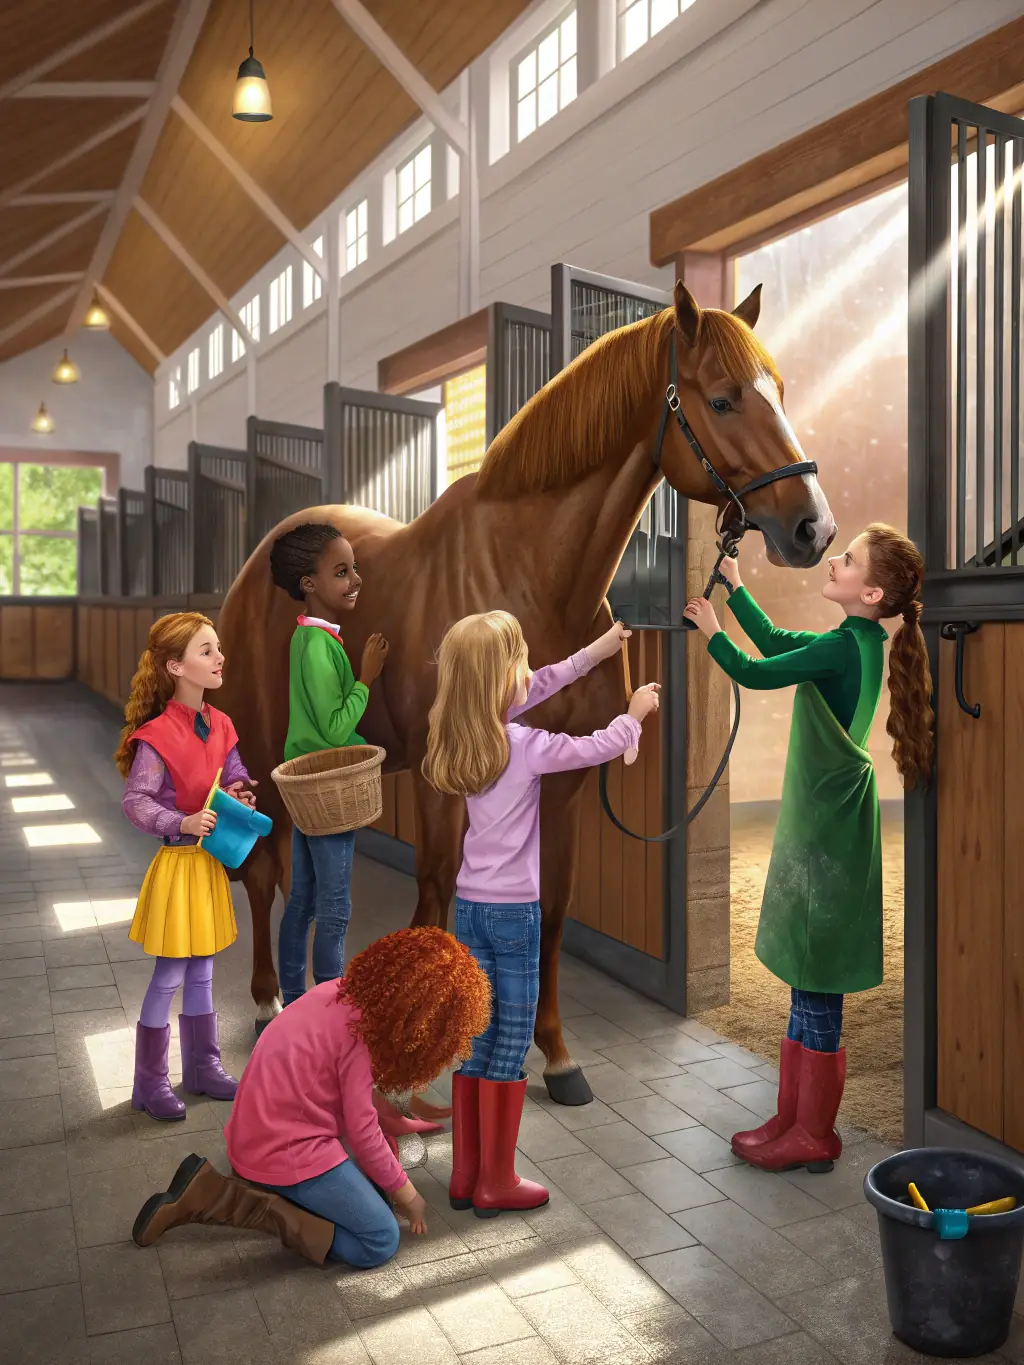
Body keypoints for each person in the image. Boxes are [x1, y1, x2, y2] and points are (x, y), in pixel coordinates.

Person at [684, 523, 933, 1173]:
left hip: (828, 835)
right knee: (806, 979)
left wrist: (711, 629)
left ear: (870, 592)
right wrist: (735, 588)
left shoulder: (843, 649)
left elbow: (755, 669)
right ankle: (792, 1117)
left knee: (818, 981)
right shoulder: (853, 642)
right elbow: (775, 640)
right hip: (827, 829)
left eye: (847, 559)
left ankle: (815, 1133)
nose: (833, 561)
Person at [423, 611, 661, 1217]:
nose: (531, 672)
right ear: (502, 680)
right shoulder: (526, 746)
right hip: (514, 916)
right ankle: (497, 1182)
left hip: (470, 907)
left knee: (477, 1036)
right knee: (510, 1041)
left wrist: (596, 651)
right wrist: (633, 714)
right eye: (521, 662)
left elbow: (542, 682)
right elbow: (595, 747)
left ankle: (466, 1175)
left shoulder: (462, 733)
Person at [131, 927, 490, 1268]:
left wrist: (391, 1145)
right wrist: (408, 1195)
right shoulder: (362, 1038)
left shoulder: (340, 991)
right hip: (283, 1149)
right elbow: (364, 1133)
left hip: (254, 1135)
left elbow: (352, 1095)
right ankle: (229, 1200)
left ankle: (265, 1190)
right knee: (380, 1239)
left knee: (378, 1183)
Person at [115, 612, 257, 1121]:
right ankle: (150, 1081)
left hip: (208, 864)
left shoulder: (222, 723)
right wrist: (182, 820)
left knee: (203, 969)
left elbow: (234, 770)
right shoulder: (155, 736)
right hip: (178, 864)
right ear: (175, 667)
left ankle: (203, 1066)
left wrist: (239, 790)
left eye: (217, 648)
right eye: (206, 650)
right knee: (171, 971)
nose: (220, 658)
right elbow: (136, 801)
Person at [269, 523, 389, 1006]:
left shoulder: (308, 637)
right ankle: (325, 1011)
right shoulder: (320, 646)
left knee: (301, 900)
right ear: (309, 584)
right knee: (334, 908)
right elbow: (336, 730)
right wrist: (366, 678)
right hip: (326, 790)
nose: (355, 580)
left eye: (354, 568)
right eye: (341, 572)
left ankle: (294, 1000)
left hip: (305, 786)